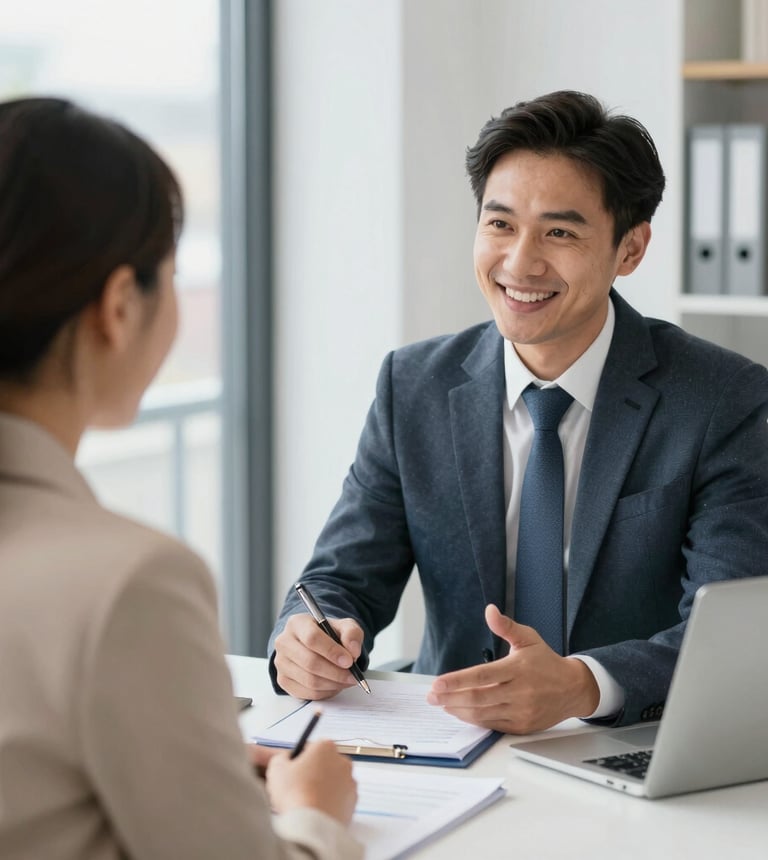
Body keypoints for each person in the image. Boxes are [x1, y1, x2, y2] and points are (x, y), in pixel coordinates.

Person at [269, 90, 768, 735]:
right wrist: (308, 637)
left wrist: (582, 685)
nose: (519, 262)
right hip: (450, 746)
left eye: (560, 232)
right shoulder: (413, 386)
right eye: (499, 223)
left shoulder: (721, 399)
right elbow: (340, 577)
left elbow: (729, 631)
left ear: (630, 249)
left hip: (626, 748)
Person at [0, 97, 361, 860]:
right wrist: (315, 815)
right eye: (171, 270)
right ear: (118, 307)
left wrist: (191, 756)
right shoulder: (128, 582)